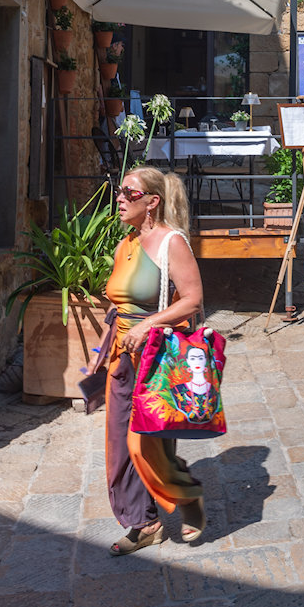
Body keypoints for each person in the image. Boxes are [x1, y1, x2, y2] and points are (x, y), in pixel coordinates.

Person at [93, 166, 206, 554]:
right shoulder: (126, 243)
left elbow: (192, 299)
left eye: (130, 193)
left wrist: (147, 325)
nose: (119, 198)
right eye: (119, 191)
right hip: (122, 356)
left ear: (152, 201)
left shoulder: (170, 242)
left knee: (147, 446)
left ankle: (188, 496)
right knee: (119, 445)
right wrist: (107, 343)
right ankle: (145, 523)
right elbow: (118, 300)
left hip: (155, 356)